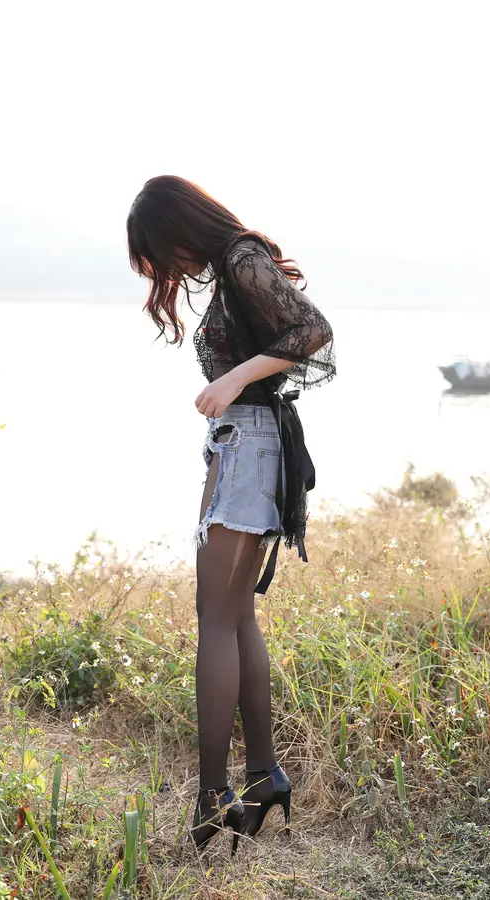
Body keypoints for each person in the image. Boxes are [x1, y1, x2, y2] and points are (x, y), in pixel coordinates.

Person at [127, 176, 335, 855]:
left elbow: (314, 330)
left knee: (215, 618)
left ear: (180, 228)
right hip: (241, 446)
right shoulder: (231, 266)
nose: (167, 267)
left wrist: (235, 376)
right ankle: (263, 774)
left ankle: (213, 794)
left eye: (161, 250)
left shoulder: (242, 256)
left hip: (249, 446)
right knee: (234, 615)